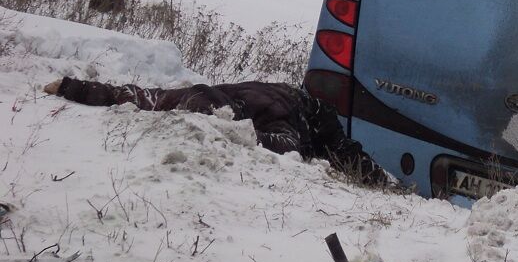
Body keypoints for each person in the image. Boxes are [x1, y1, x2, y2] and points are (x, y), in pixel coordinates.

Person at [43, 77, 389, 185]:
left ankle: (382, 182)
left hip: (300, 108)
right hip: (270, 101)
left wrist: (240, 135)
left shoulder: (278, 116)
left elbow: (288, 143)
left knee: (327, 149)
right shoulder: (197, 98)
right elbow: (143, 97)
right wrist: (71, 87)